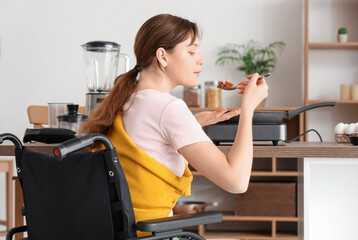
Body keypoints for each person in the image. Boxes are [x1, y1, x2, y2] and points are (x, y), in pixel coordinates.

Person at [80, 13, 268, 235]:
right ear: (162, 56)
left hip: (114, 231)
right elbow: (236, 182)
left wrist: (193, 122)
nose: (201, 59)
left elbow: (147, 140)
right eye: (191, 51)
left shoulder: (125, 99)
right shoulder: (169, 108)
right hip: (151, 234)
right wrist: (248, 109)